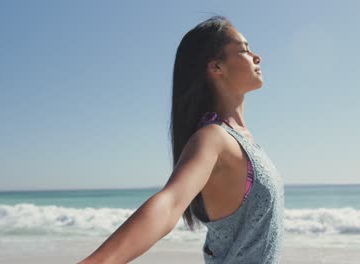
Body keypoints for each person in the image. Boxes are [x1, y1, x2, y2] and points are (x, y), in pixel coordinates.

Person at [78, 15, 284, 264]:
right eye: (244, 49)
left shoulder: (243, 140)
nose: (256, 56)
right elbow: (170, 203)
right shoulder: (213, 138)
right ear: (216, 67)